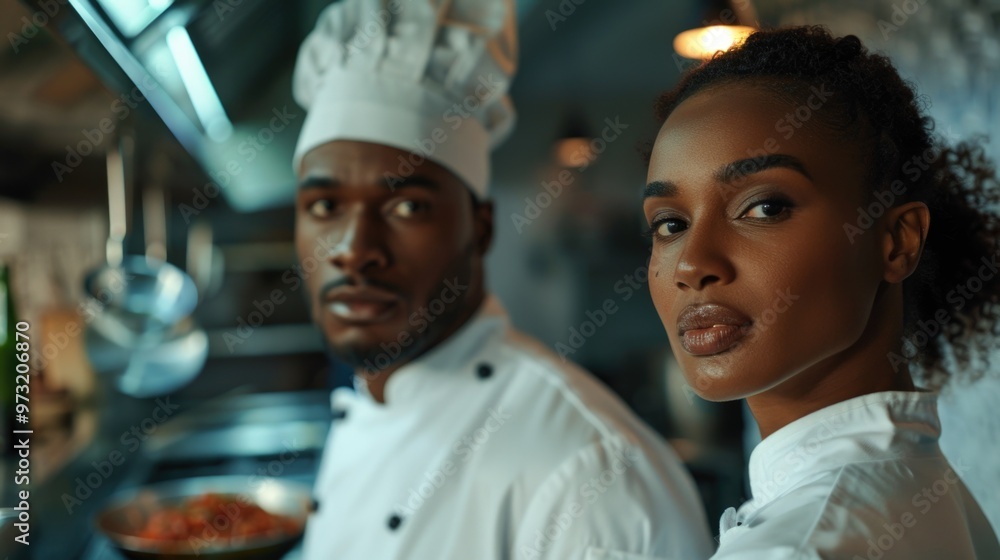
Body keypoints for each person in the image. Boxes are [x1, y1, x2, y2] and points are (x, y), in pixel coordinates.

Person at [291, 1, 713, 558]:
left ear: (481, 229)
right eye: (324, 205)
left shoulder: (591, 476)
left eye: (407, 208)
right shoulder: (369, 404)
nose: (355, 250)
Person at [641, 25, 1000, 559]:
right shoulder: (930, 491)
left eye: (764, 207)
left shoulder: (799, 546)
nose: (693, 263)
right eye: (670, 224)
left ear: (896, 241)